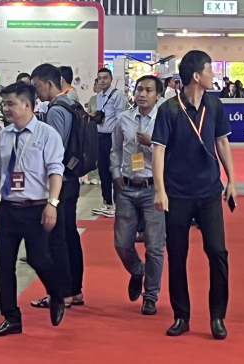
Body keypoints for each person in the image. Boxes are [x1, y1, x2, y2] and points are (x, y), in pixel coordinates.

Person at [152, 50, 236, 340]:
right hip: (177, 194)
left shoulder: (215, 105)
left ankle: (217, 316)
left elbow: (222, 143)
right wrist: (160, 190)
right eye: (210, 70)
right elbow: (158, 151)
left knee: (218, 253)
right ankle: (181, 315)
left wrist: (231, 180)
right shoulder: (169, 109)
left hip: (210, 191)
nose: (213, 75)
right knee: (177, 254)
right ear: (197, 76)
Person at [0, 82, 70, 337]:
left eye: (11, 103)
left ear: (27, 104)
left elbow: (56, 172)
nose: (6, 108)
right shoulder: (5, 136)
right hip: (8, 209)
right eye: (4, 104)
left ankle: (57, 293)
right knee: (3, 265)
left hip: (36, 208)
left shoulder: (47, 134)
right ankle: (11, 318)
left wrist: (52, 204)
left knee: (39, 259)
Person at [29, 64, 85, 309]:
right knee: (69, 234)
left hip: (60, 181)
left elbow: (53, 149)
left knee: (57, 238)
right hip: (72, 178)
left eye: (37, 86)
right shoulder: (72, 104)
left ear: (49, 84)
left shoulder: (55, 110)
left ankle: (62, 293)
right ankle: (74, 290)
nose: (36, 92)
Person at [111, 75, 166, 316]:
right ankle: (137, 270)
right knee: (122, 243)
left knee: (155, 246)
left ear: (158, 95)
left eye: (148, 90)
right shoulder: (123, 118)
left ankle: (151, 295)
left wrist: (152, 143)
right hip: (126, 187)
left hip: (152, 187)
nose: (142, 94)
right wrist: (115, 172)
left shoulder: (164, 120)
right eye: (139, 89)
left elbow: (172, 153)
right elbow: (115, 148)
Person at [92, 67, 126, 218]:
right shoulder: (99, 96)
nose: (102, 81)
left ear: (111, 79)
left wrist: (119, 138)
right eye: (100, 78)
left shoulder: (118, 95)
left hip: (112, 137)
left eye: (105, 78)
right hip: (100, 136)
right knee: (103, 170)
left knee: (115, 170)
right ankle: (107, 202)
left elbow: (120, 118)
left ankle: (118, 203)